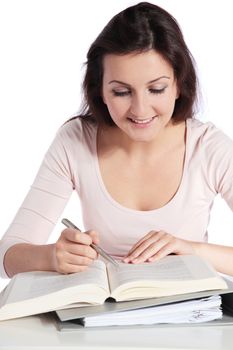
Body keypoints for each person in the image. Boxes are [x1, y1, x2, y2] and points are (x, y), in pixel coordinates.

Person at [1, 1, 233, 279]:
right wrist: (51, 256)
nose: (140, 110)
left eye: (156, 89)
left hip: (188, 316)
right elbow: (7, 255)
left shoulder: (207, 147)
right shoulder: (76, 141)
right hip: (102, 315)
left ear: (178, 84)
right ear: (99, 90)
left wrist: (192, 250)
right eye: (122, 92)